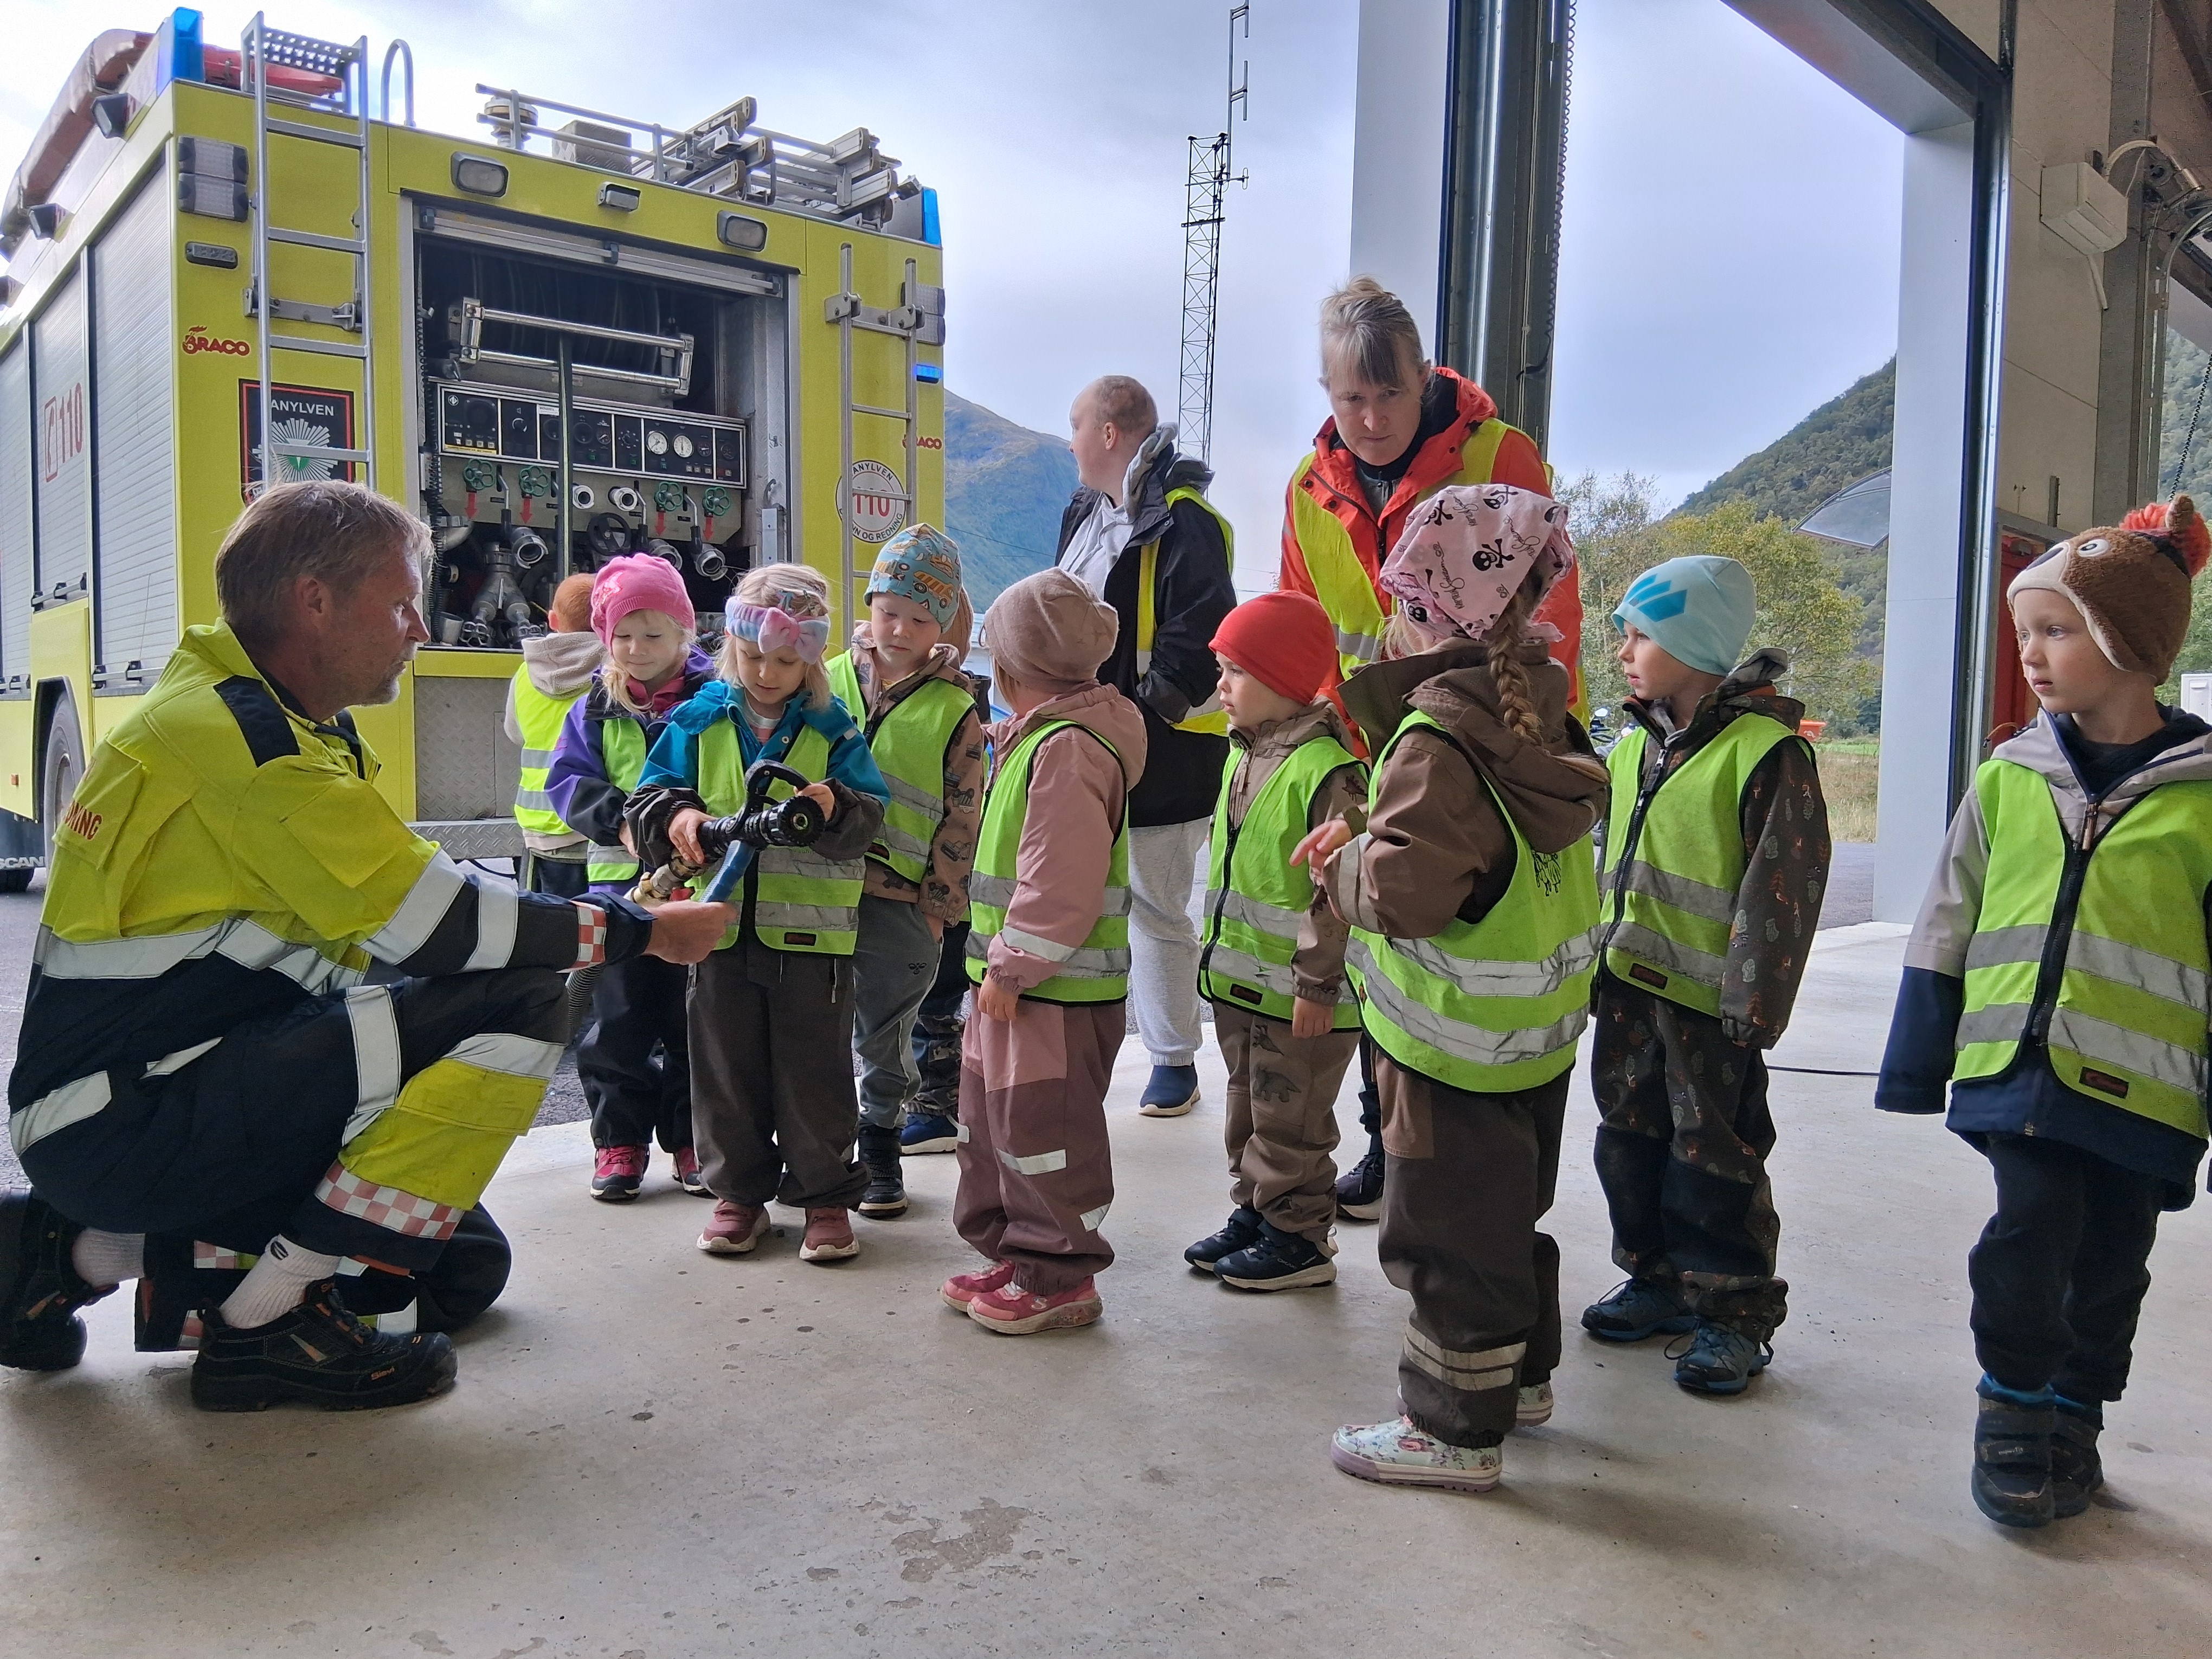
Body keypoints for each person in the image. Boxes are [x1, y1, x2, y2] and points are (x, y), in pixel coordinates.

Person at [0, 481, 731, 1410]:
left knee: (461, 1269)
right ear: (315, 600)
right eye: (400, 604)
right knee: (525, 997)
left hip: (152, 1094)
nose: (419, 628)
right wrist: (642, 931)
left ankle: (68, 1254)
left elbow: (388, 915)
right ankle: (265, 1326)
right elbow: (444, 926)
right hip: (130, 1122)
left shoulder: (249, 717)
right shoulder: (251, 751)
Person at [1877, 497, 2212, 1530]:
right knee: (2028, 1233)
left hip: (2147, 1092)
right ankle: (2014, 1409)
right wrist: (1917, 1062)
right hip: (2020, 1075)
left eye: (2057, 629)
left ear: (2132, 643)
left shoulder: (2205, 799)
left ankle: (2077, 1414)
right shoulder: (2010, 777)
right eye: (2026, 631)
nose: (2031, 653)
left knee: (2113, 1261)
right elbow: (1948, 916)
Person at [1301, 484, 1604, 1494]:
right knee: (1506, 1217)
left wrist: (1342, 863)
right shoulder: (1550, 719)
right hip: (1534, 1044)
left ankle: (1453, 1430)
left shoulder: (1435, 743)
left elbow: (1406, 896)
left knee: (1442, 1239)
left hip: (1446, 1050)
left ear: (1423, 613)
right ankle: (1521, 1380)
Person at [1279, 276, 1585, 1220]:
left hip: (1483, 739)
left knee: (1461, 935)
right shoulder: (1307, 488)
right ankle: (1390, 1137)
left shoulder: (1497, 453)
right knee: (1383, 947)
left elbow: (1553, 607)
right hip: (1375, 739)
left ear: (1426, 378)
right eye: (1350, 400)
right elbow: (1303, 622)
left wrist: (1531, 736)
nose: (1372, 420)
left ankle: (1458, 1139)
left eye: (1390, 394)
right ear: (1326, 393)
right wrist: (1326, 742)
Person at [1581, 556, 1828, 1396]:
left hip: (1710, 1006)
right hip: (1628, 988)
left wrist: (1756, 999)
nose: (1624, 652)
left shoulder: (1767, 754)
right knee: (1628, 1138)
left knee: (1714, 1156)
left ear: (1696, 647)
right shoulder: (1631, 751)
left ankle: (1733, 1310)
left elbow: (1782, 885)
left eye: (1641, 635)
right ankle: (1655, 1278)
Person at [626, 564, 889, 1266]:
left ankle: (825, 1197)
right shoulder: (696, 720)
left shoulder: (836, 731)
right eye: (752, 657)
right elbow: (646, 799)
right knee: (723, 1070)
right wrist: (678, 816)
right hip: (714, 933)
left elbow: (871, 820)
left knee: (815, 1073)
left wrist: (838, 807)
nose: (767, 674)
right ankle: (738, 1196)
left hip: (813, 942)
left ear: (811, 661)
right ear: (730, 650)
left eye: (786, 661)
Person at [940, 570, 1147, 1335]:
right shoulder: (1038, 739)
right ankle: (1017, 1254)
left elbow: (1061, 877)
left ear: (1009, 667)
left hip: (1047, 991)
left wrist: (1013, 965)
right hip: (1016, 988)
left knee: (1044, 1134)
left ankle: (1060, 1275)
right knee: (993, 1128)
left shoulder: (1068, 751)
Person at [1056, 375, 1237, 1118]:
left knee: (1157, 908)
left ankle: (1173, 1061)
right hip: (1082, 742)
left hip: (1164, 753)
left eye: (1076, 425)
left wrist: (1131, 718)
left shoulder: (1186, 520)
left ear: (1108, 432)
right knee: (1079, 899)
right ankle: (1074, 1051)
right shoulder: (1083, 511)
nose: (1069, 441)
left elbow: (1199, 638)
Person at [1183, 591, 1366, 1292]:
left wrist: (1318, 984)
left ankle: (1299, 1237)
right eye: (1222, 670)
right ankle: (1258, 1212)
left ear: (1285, 679)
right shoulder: (1243, 754)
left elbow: (1337, 892)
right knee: (1248, 1108)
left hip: (1302, 996)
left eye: (1237, 671)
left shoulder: (1328, 771)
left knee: (1292, 1118)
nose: (1222, 686)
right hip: (1246, 987)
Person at [544, 554, 717, 1203]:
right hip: (620, 895)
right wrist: (621, 823)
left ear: (684, 632)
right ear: (603, 636)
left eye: (653, 634)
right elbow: (568, 781)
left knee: (694, 1021)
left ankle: (691, 1138)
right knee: (617, 1022)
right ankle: (618, 1141)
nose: (636, 649)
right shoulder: (595, 704)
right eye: (621, 635)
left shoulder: (715, 699)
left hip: (696, 890)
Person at [827, 525, 987, 1219]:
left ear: (943, 623)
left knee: (886, 1033)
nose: (899, 630)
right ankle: (821, 1149)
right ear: (869, 604)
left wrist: (940, 903)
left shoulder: (956, 708)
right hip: (813, 887)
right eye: (889, 611)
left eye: (920, 620)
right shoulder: (826, 677)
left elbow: (962, 816)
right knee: (812, 1024)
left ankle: (881, 1146)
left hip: (899, 899)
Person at [505, 571, 604, 897]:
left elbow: (515, 734)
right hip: (595, 826)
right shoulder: (615, 670)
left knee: (549, 924)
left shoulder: (525, 672)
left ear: (552, 620)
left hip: (540, 831)